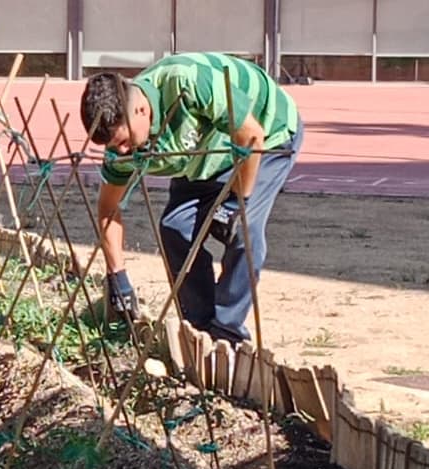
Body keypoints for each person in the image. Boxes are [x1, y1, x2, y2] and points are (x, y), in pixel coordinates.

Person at [80, 52, 303, 344]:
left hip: (266, 136)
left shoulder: (187, 82)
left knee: (243, 231)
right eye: (113, 146)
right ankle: (200, 328)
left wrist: (237, 203)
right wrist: (117, 275)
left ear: (141, 111)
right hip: (203, 157)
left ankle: (226, 332)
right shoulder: (120, 151)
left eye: (123, 141)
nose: (121, 151)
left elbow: (251, 136)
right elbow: (109, 208)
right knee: (175, 229)